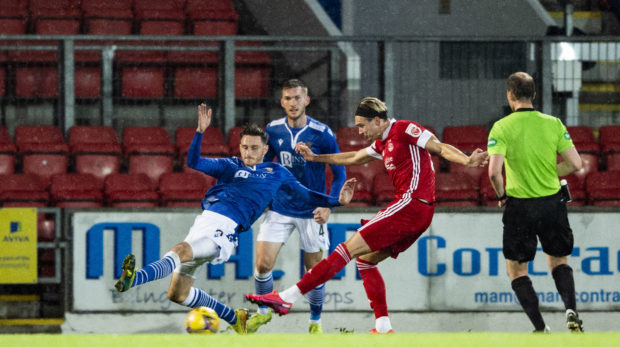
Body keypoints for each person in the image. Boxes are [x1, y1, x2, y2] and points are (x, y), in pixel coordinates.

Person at [245, 97, 488, 334]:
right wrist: (316, 158)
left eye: (362, 125)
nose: (359, 131)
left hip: (411, 203)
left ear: (380, 121)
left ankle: (287, 297)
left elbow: (440, 146)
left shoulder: (404, 129)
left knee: (346, 249)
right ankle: (383, 327)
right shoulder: (383, 143)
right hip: (418, 211)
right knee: (366, 260)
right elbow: (354, 157)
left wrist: (467, 160)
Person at [114, 104, 356, 334]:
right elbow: (193, 162)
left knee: (179, 251)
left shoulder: (276, 173)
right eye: (244, 147)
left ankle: (136, 278)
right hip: (203, 223)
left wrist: (336, 202)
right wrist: (199, 132)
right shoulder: (230, 165)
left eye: (253, 148)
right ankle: (235, 318)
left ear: (264, 150)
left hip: (224, 229)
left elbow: (307, 195)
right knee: (178, 294)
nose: (248, 152)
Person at [487, 72, 584, 333]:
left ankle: (541, 329)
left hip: (520, 206)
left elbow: (494, 172)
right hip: (552, 203)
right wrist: (550, 174)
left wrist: (501, 196)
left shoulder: (502, 127)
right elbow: (575, 164)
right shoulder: (553, 123)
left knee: (517, 271)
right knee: (559, 262)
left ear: (510, 95)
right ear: (534, 94)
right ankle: (571, 310)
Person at [248, 79, 346, 334]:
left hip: (312, 211)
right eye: (288, 98)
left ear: (307, 100)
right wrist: (262, 198)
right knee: (262, 265)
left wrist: (329, 206)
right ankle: (262, 312)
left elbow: (340, 175)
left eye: (297, 98)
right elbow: (264, 168)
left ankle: (315, 322)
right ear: (282, 102)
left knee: (314, 273)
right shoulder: (273, 129)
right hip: (280, 208)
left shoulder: (322, 133)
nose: (293, 103)